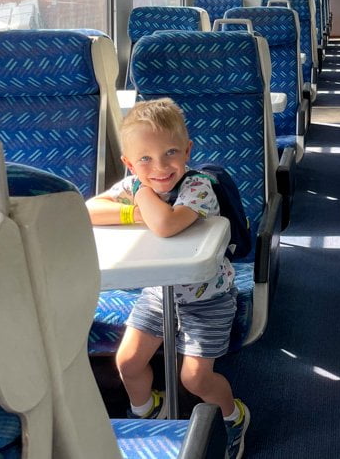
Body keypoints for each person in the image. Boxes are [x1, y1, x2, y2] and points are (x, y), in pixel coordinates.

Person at [87, 97, 249, 459]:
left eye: (170, 153)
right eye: (144, 159)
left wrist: (141, 195)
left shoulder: (197, 188)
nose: (160, 167)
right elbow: (89, 210)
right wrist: (135, 212)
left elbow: (165, 224)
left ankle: (234, 415)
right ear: (129, 163)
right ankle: (147, 411)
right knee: (128, 363)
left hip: (208, 299)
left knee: (194, 379)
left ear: (187, 151)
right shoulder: (135, 185)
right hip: (159, 294)